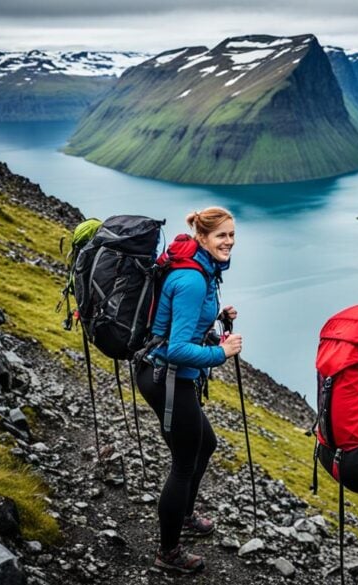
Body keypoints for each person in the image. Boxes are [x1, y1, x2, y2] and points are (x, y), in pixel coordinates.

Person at [135, 206, 242, 574]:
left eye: (231, 235)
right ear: (202, 237)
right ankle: (168, 553)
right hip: (165, 376)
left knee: (205, 444)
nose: (228, 241)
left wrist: (217, 319)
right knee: (183, 462)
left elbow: (177, 324)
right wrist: (220, 351)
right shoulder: (194, 279)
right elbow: (175, 347)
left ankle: (183, 515)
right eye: (221, 236)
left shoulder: (202, 267)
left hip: (170, 375)